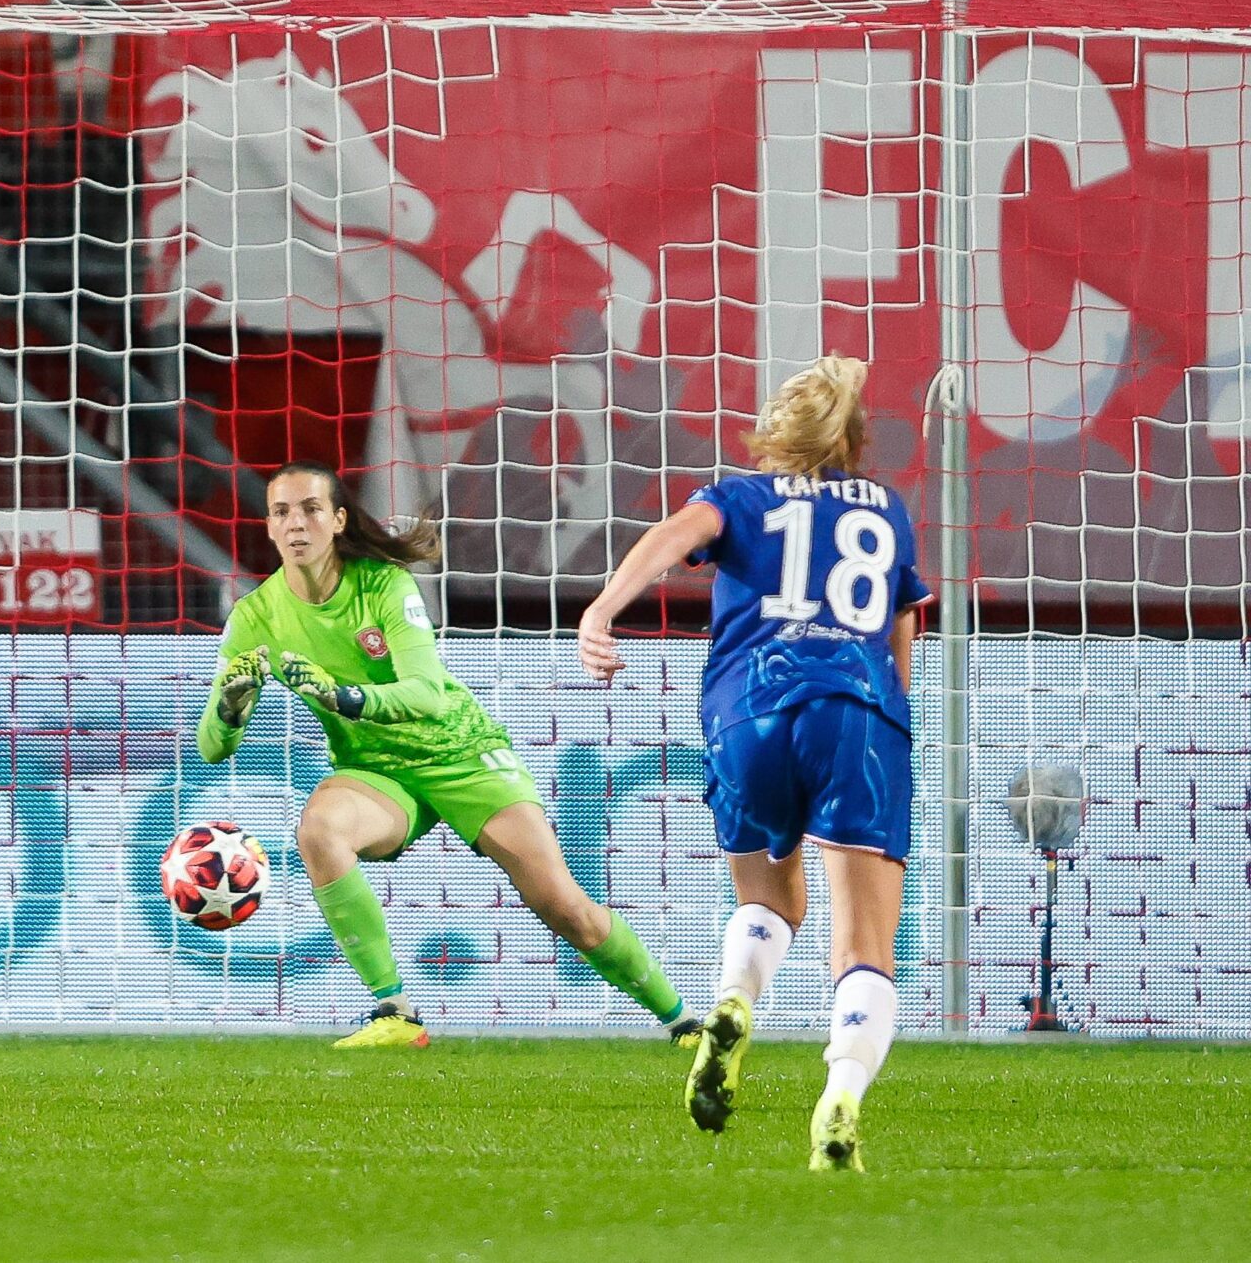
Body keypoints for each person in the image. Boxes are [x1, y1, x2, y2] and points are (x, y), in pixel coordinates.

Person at [200, 462, 697, 1050]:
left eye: (310, 508)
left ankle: (685, 1024)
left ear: (337, 520)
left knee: (566, 909)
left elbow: (425, 692)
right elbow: (214, 747)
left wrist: (340, 695)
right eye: (282, 512)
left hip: (462, 754)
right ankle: (394, 1011)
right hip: (377, 773)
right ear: (268, 526)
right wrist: (231, 706)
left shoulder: (383, 585)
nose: (296, 524)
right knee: (320, 830)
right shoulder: (255, 617)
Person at [578, 356, 928, 1172]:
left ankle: (735, 997)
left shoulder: (737, 494)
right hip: (857, 710)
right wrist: (892, 726)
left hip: (750, 710)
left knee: (772, 892)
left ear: (776, 431)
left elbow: (674, 537)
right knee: (862, 935)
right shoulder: (887, 506)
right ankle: (840, 1096)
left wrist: (601, 611)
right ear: (852, 436)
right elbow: (902, 625)